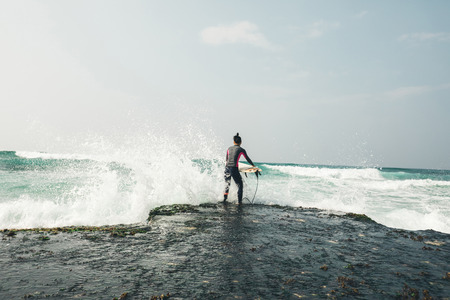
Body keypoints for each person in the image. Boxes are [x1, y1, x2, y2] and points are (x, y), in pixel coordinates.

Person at [223, 133, 255, 204]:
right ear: (241, 142)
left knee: (227, 184)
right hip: (234, 168)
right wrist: (253, 165)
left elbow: (227, 160)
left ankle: (224, 200)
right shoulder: (241, 149)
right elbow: (247, 159)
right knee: (240, 185)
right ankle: (239, 202)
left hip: (227, 168)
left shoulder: (229, 148)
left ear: (233, 141)